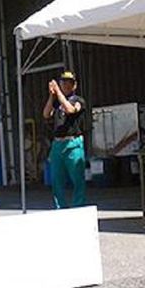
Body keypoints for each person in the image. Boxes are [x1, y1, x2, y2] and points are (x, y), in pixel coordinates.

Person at [42, 71, 86, 208]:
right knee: (56, 179)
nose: (66, 85)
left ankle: (78, 205)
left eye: (69, 83)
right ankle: (60, 207)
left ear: (74, 85)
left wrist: (58, 93)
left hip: (73, 143)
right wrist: (52, 96)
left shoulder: (78, 100)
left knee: (77, 178)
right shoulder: (56, 102)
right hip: (58, 143)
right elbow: (46, 114)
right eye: (64, 82)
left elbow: (70, 110)